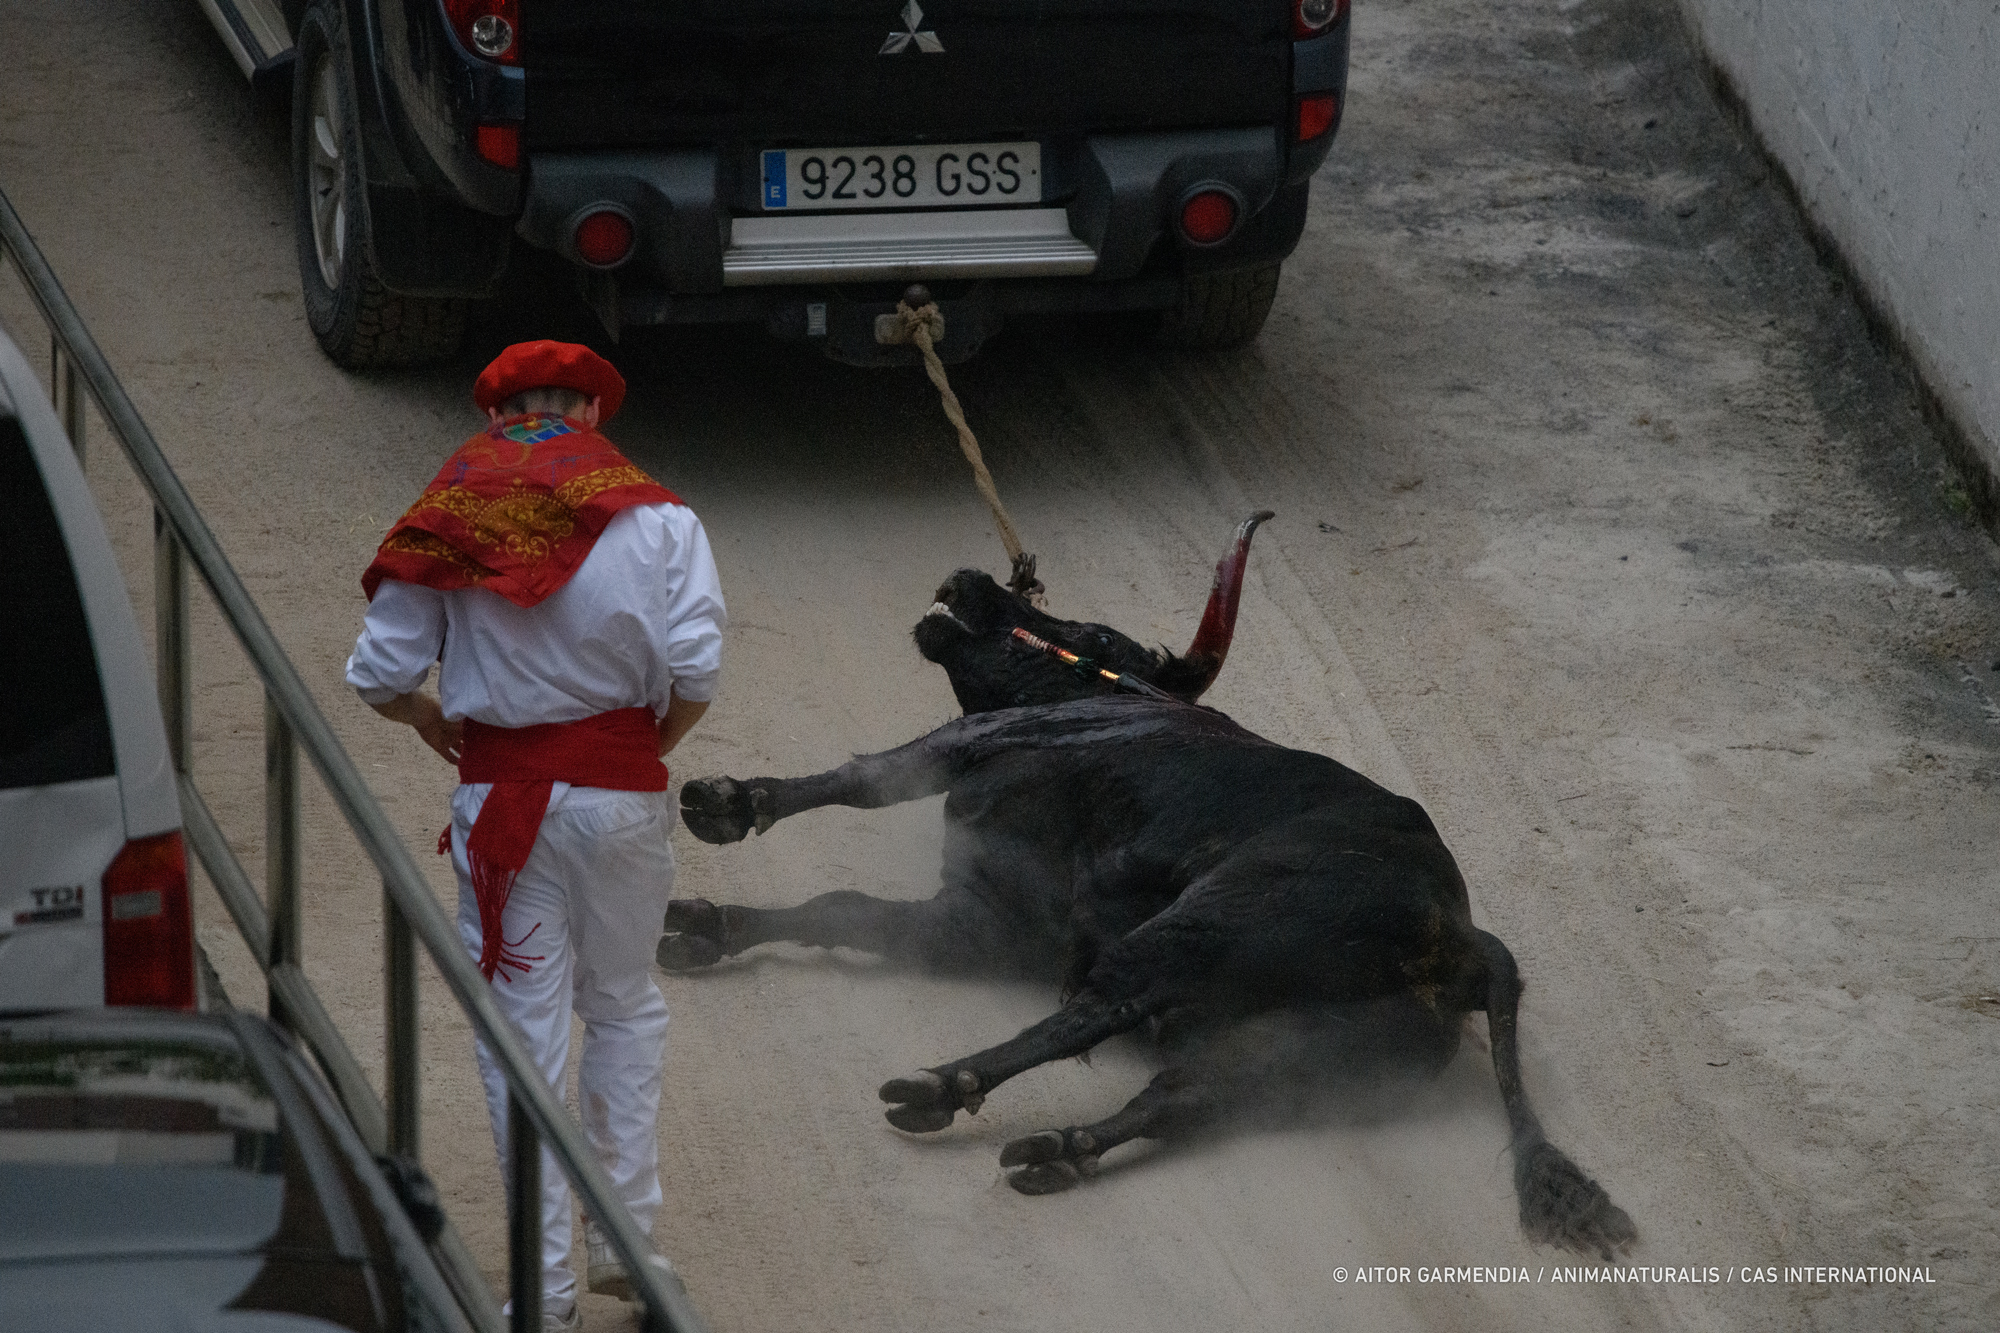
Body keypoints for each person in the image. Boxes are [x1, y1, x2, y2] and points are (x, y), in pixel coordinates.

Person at [345, 341, 723, 1331]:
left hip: (503, 810)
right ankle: (629, 1250)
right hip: (620, 802)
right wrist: (641, 748)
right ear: (592, 415)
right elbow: (698, 668)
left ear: (497, 418)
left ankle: (543, 1288)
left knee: (522, 1040)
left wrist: (429, 722)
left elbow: (377, 673)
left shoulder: (453, 512)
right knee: (627, 1007)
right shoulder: (662, 517)